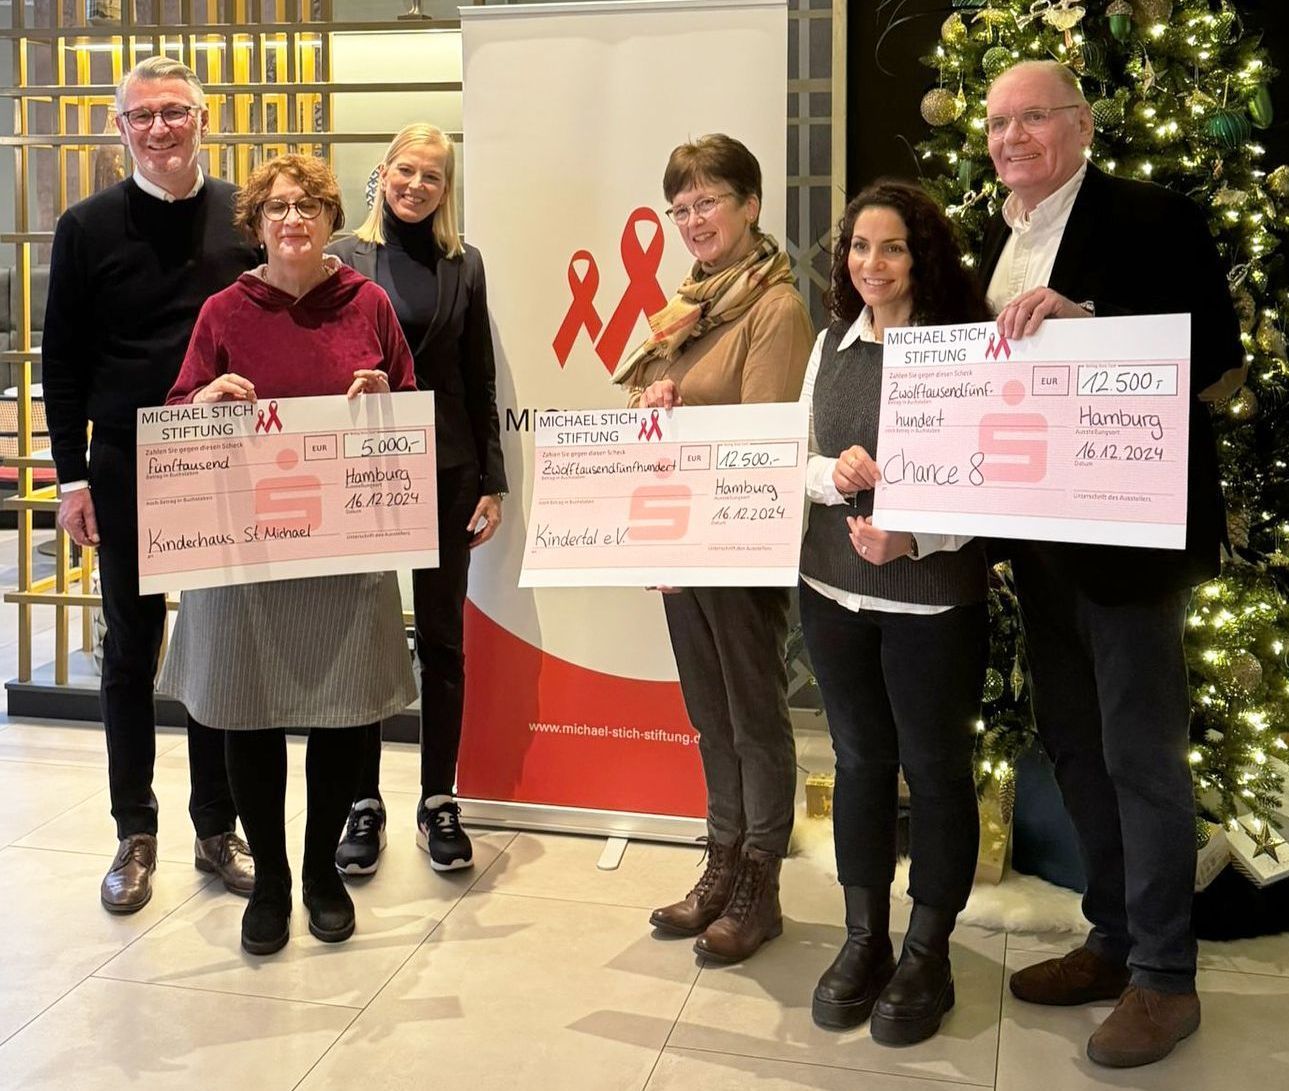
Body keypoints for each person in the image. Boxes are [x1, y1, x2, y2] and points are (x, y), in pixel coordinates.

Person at [980, 60, 1243, 1068]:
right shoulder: (993, 238)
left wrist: (1089, 329)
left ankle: (1163, 977)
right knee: (1075, 743)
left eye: (1029, 119)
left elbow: (1215, 353)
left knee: (1139, 753)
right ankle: (1108, 937)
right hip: (1039, 538)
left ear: (1079, 125)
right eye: (997, 124)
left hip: (1128, 538)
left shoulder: (1150, 217)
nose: (1008, 139)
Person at [157, 154, 418, 956]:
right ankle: (269, 879)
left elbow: (412, 409)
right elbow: (173, 414)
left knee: (346, 712)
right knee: (248, 709)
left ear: (330, 217)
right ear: (256, 225)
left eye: (307, 204)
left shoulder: (368, 303)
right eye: (275, 207)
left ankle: (321, 872)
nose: (292, 218)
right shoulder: (224, 313)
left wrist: (387, 403)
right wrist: (203, 400)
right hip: (246, 555)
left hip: (344, 550)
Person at [42, 56, 258, 915]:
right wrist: (70, 478)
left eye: (175, 111)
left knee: (214, 650)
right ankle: (135, 830)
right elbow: (62, 363)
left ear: (203, 118)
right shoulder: (86, 225)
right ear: (119, 127)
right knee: (130, 653)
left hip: (222, 463)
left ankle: (217, 827)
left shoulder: (244, 213)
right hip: (126, 462)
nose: (160, 128)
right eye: (143, 116)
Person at [612, 134, 814, 963]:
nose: (694, 220)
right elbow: (649, 405)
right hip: (682, 535)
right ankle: (720, 860)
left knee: (753, 715)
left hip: (737, 539)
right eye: (681, 207)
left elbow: (762, 438)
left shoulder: (773, 307)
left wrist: (680, 413)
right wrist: (652, 399)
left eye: (709, 202)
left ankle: (758, 880)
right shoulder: (686, 307)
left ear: (751, 206)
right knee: (707, 713)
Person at [799, 180, 991, 1044]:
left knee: (936, 768)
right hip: (833, 592)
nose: (869, 264)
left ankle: (928, 948)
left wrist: (913, 540)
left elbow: (993, 479)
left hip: (928, 601)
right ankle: (863, 935)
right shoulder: (828, 344)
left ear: (923, 257)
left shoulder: (964, 351)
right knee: (860, 761)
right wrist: (825, 475)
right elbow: (796, 457)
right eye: (858, 247)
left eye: (891, 248)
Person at [329, 123, 506, 877]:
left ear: (446, 187)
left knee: (442, 641)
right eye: (405, 170)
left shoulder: (463, 264)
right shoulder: (340, 257)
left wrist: (493, 479)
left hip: (447, 471)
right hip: (362, 472)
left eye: (431, 177)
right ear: (383, 172)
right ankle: (360, 802)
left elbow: (477, 377)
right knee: (363, 637)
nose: (415, 185)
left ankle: (438, 799)